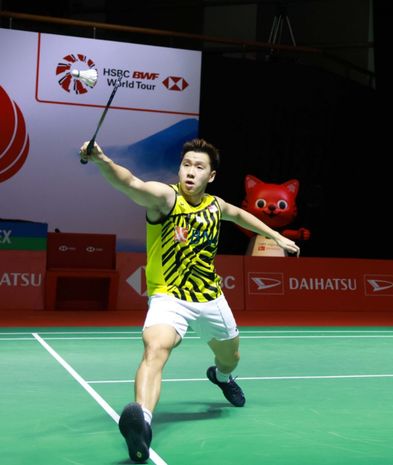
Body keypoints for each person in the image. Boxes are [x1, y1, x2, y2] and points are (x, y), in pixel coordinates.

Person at [79, 138, 300, 462]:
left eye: (199, 167)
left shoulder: (215, 205)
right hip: (169, 297)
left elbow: (239, 215)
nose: (191, 172)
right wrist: (102, 160)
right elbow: (131, 183)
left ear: (210, 176)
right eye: (186, 165)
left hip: (209, 297)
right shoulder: (165, 199)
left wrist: (277, 235)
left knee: (231, 357)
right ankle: (142, 421)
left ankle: (221, 377)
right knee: (155, 349)